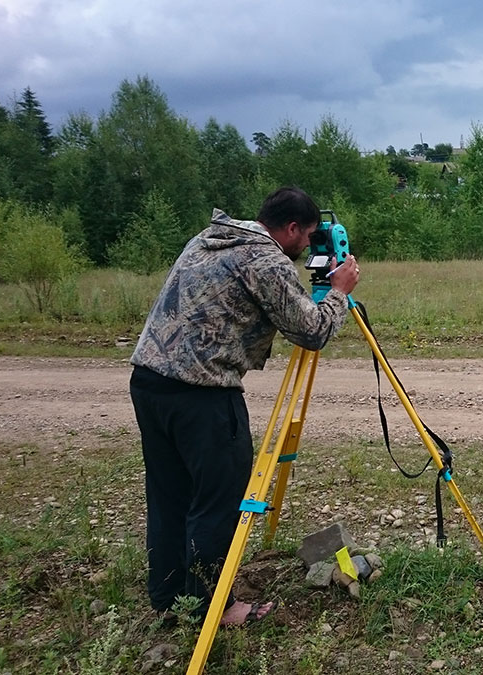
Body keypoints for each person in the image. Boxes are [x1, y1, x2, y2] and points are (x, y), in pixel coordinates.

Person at [128, 187, 360, 625]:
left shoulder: (211, 238)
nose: (308, 247)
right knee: (217, 501)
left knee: (169, 495)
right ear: (290, 229)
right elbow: (311, 331)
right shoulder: (266, 259)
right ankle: (216, 607)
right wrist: (338, 291)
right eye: (308, 237)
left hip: (150, 382)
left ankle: (169, 595)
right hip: (202, 391)